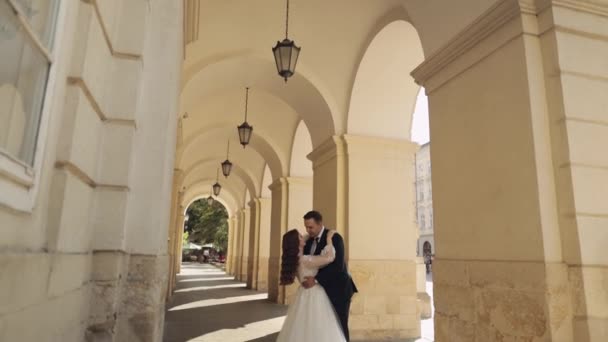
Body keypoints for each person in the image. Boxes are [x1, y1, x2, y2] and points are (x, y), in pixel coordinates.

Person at [276, 228, 346, 342]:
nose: (303, 236)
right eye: (300, 237)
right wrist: (329, 239)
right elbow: (329, 257)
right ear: (296, 243)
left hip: (303, 294)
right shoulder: (305, 260)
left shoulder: (295, 260)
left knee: (302, 326)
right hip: (315, 295)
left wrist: (310, 234)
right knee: (318, 326)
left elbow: (306, 241)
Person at [301, 210, 358, 341]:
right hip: (319, 291)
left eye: (311, 227)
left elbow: (338, 266)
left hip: (339, 289)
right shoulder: (308, 241)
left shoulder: (334, 238)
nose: (308, 230)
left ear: (320, 223)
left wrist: (315, 279)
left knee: (339, 325)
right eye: (306, 227)